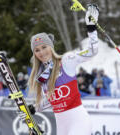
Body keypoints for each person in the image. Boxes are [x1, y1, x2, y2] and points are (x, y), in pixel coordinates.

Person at [19, 4, 99, 135]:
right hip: (61, 125)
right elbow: (53, 100)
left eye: (44, 47)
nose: (41, 52)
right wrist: (33, 109)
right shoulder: (41, 75)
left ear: (51, 47)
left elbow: (92, 51)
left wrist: (91, 28)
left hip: (78, 121)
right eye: (37, 50)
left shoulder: (66, 60)